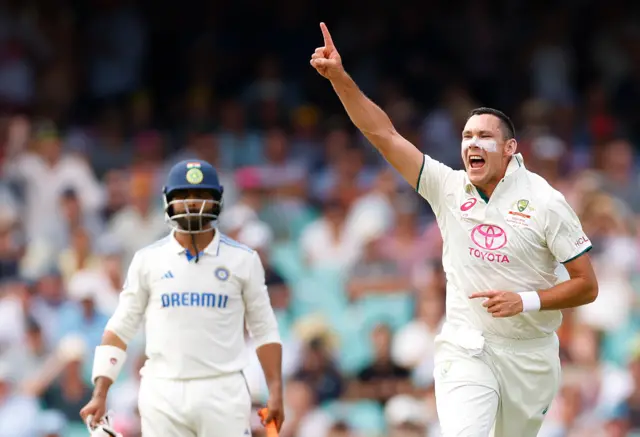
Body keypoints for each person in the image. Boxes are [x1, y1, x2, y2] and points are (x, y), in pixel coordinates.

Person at [310, 23, 598, 437]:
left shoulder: (546, 202)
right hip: (467, 345)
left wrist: (526, 300)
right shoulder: (447, 186)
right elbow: (384, 135)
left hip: (530, 356)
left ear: (511, 148)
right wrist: (339, 78)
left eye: (484, 136)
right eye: (466, 137)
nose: (472, 145)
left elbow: (587, 286)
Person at [79, 159, 284, 436]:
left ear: (217, 201)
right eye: (183, 196)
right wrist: (100, 392)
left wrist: (275, 391)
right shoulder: (147, 260)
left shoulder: (243, 260)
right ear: (168, 201)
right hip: (163, 391)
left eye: (201, 196)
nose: (192, 203)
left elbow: (264, 330)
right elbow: (120, 328)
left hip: (223, 390)